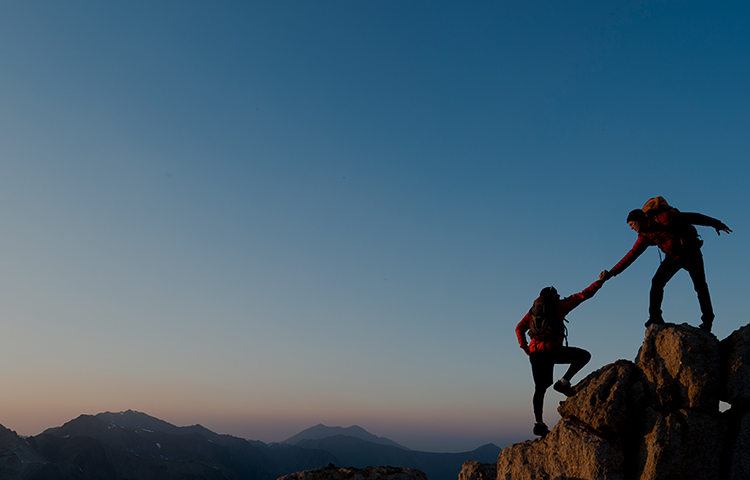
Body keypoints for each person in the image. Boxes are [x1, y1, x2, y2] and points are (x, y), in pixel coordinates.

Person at [601, 204, 731, 332]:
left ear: (640, 220)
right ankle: (655, 317)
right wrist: (611, 273)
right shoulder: (644, 236)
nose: (631, 228)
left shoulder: (665, 218)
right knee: (657, 282)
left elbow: (694, 217)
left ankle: (707, 321)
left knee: (700, 286)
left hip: (692, 254)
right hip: (673, 258)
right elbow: (631, 255)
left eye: (631, 224)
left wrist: (716, 224)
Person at [515, 277, 606, 437]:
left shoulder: (532, 312)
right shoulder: (559, 306)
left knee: (540, 388)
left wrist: (525, 348)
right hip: (552, 351)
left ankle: (539, 424)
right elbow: (583, 295)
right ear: (554, 296)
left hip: (536, 354)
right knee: (584, 356)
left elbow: (519, 328)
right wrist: (600, 281)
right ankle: (563, 382)